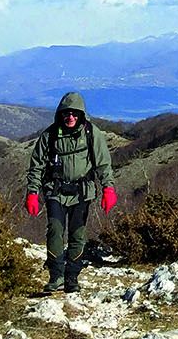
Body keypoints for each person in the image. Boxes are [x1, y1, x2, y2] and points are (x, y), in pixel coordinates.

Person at [24, 92, 116, 293]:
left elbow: (103, 164)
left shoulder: (92, 133)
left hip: (82, 192)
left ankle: (72, 277)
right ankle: (56, 276)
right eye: (67, 113)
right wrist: (32, 192)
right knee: (55, 231)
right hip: (55, 191)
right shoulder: (49, 136)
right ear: (60, 114)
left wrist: (108, 187)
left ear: (81, 114)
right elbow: (36, 166)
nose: (71, 117)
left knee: (77, 234)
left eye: (75, 113)